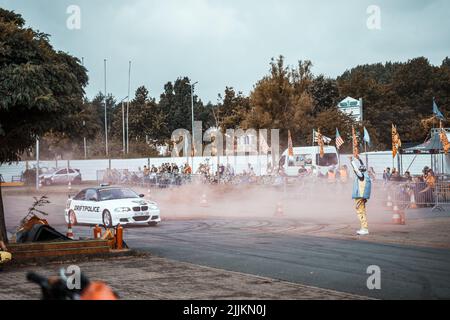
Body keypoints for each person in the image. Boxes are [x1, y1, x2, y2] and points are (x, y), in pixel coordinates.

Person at [349, 156, 372, 236]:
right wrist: (359, 159)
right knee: (362, 212)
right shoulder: (366, 176)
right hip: (363, 197)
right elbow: (362, 167)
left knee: (360, 212)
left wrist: (351, 161)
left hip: (360, 196)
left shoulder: (361, 176)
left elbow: (356, 169)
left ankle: (365, 228)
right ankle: (363, 228)